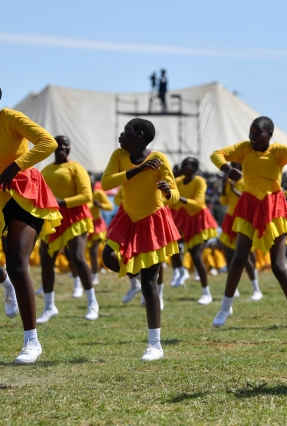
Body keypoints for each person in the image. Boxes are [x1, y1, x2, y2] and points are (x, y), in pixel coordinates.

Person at [210, 116, 287, 335]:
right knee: (238, 259)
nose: (253, 137)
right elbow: (216, 155)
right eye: (251, 133)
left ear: (269, 135)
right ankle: (225, 308)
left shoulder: (277, 151)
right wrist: (227, 169)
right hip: (249, 206)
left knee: (278, 266)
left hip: (274, 207)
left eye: (258, 133)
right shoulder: (245, 149)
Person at [101, 118, 181, 361]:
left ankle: (154, 345)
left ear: (140, 137)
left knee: (150, 284)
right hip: (127, 215)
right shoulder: (119, 154)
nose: (120, 135)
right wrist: (138, 170)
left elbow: (175, 195)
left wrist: (168, 191)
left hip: (153, 220)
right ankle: (132, 279)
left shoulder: (160, 159)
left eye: (126, 131)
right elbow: (106, 183)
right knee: (108, 257)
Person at [0, 97, 62, 364]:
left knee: (16, 263)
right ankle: (7, 285)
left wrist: (13, 168)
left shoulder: (11, 118)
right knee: (10, 271)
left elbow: (48, 142)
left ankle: (31, 342)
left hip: (24, 193)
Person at [37, 136, 99, 324]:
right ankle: (49, 307)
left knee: (78, 258)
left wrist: (63, 202)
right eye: (60, 145)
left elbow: (87, 195)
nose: (63, 148)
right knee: (46, 260)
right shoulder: (46, 169)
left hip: (75, 217)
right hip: (53, 218)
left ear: (69, 149)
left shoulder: (76, 167)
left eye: (66, 145)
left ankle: (92, 303)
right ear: (53, 147)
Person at [169, 157, 218, 305]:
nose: (183, 166)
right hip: (183, 219)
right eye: (183, 163)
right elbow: (171, 201)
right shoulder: (178, 181)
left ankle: (206, 293)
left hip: (199, 221)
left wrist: (178, 198)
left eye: (187, 164)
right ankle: (181, 271)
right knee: (172, 246)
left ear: (195, 169)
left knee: (196, 256)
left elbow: (198, 204)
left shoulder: (199, 181)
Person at [219, 163, 260, 299]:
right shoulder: (229, 183)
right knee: (229, 255)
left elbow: (245, 199)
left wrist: (233, 189)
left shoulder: (245, 182)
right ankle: (233, 288)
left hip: (242, 219)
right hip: (230, 219)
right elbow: (223, 201)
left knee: (244, 256)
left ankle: (256, 289)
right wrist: (224, 187)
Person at [88, 177, 113, 285]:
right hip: (86, 225)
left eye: (91, 183)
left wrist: (100, 205)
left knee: (94, 250)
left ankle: (95, 275)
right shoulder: (82, 194)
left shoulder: (98, 194)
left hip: (97, 225)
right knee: (88, 252)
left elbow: (110, 207)